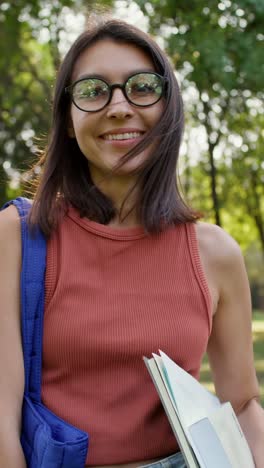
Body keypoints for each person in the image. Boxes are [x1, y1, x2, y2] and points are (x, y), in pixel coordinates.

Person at [0, 17, 263, 468]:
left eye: (142, 87)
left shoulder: (216, 253)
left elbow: (241, 406)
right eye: (92, 90)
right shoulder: (16, 237)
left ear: (169, 107)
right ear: (67, 118)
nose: (119, 106)